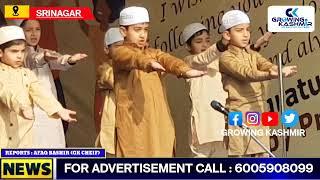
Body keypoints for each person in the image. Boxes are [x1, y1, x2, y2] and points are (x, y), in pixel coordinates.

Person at [112, 6, 206, 157]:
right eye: (137, 30)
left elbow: (168, 60)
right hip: (134, 123)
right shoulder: (120, 52)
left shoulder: (153, 53)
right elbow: (132, 58)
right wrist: (148, 64)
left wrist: (184, 70)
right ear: (124, 31)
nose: (142, 35)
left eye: (145, 29)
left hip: (159, 121)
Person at [182, 22, 273, 157]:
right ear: (188, 46)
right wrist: (223, 42)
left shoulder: (221, 58)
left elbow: (240, 58)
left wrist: (256, 46)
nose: (204, 45)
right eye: (199, 42)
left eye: (207, 40)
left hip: (223, 122)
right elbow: (205, 58)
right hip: (204, 125)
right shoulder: (190, 61)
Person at [219, 10, 297, 157]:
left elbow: (266, 65)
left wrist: (280, 70)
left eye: (248, 30)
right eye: (239, 30)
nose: (245, 34)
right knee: (241, 165)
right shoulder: (225, 58)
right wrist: (271, 74)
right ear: (227, 35)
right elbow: (247, 73)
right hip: (239, 115)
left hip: (259, 112)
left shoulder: (252, 54)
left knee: (263, 160)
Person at [0, 25, 76, 148]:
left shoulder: (26, 74)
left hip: (23, 139)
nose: (19, 56)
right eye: (14, 51)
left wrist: (58, 109)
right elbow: (5, 91)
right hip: (3, 136)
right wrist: (22, 107)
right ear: (0, 52)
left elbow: (41, 93)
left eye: (22, 51)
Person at [16, 20, 87, 148]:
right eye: (29, 30)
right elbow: (34, 59)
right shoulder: (21, 54)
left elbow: (58, 60)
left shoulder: (44, 51)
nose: (34, 34)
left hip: (50, 108)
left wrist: (69, 59)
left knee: (54, 143)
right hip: (33, 111)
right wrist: (44, 57)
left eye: (37, 29)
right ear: (21, 32)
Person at [95, 27, 123, 156]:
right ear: (107, 49)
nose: (123, 51)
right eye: (118, 46)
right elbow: (113, 80)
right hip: (112, 131)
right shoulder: (104, 69)